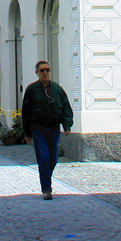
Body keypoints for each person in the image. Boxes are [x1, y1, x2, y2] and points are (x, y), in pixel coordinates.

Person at [20, 60, 73, 199]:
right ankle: (47, 189)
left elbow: (66, 107)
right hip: (38, 128)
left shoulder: (57, 89)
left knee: (53, 158)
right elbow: (25, 112)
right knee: (43, 157)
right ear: (37, 72)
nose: (45, 73)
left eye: (47, 70)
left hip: (54, 127)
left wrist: (67, 125)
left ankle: (46, 177)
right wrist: (27, 133)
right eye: (42, 70)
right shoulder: (32, 90)